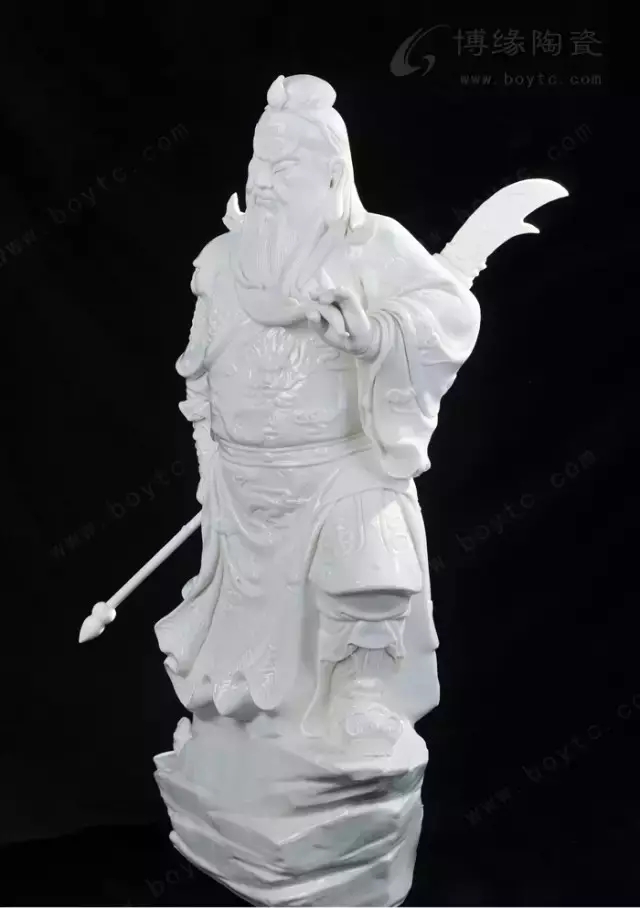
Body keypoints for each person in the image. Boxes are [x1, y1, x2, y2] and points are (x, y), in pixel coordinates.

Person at [155, 73, 480, 756]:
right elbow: (198, 367)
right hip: (244, 481)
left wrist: (377, 336)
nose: (266, 180)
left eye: (286, 165)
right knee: (244, 625)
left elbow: (450, 313)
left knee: (369, 558)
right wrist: (210, 455)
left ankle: (361, 696)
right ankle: (252, 732)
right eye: (259, 160)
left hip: (337, 466)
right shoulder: (222, 261)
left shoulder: (373, 245)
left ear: (332, 172)